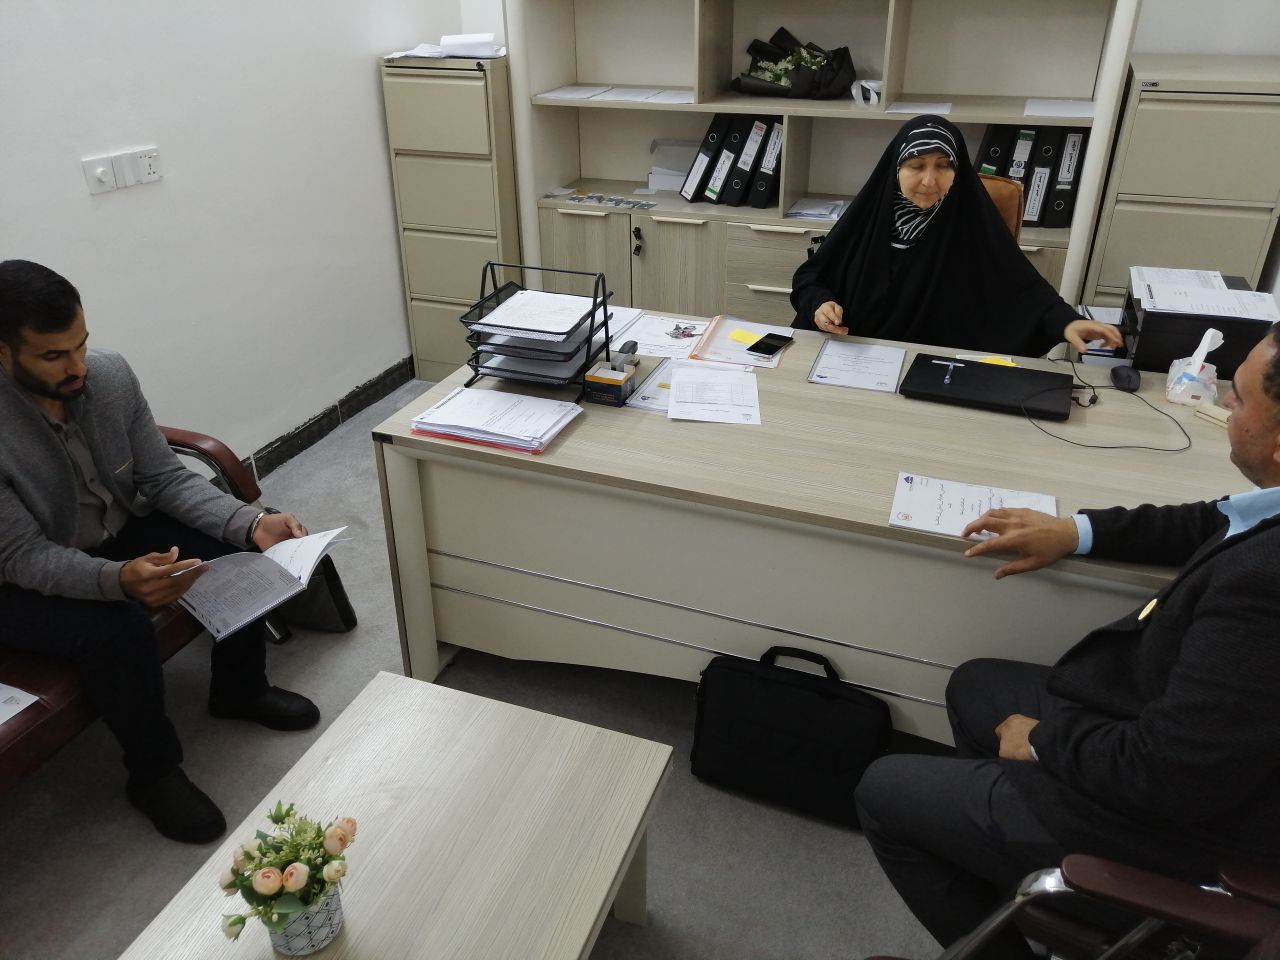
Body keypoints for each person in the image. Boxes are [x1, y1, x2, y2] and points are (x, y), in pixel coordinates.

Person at [854, 326, 1280, 960]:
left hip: (1187, 826)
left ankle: (1049, 890)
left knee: (884, 791)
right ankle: (1026, 880)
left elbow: (1170, 777)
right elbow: (1217, 519)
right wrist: (1074, 531)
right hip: (1180, 739)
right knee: (976, 685)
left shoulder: (1267, 587)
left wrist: (1045, 742)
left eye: (1239, 399)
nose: (1223, 404)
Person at [0, 259, 321, 844]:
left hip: (115, 531)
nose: (77, 367)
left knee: (232, 551)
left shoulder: (109, 376)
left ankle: (240, 690)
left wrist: (249, 523)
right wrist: (118, 580)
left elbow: (163, 477)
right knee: (117, 629)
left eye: (81, 344)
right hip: (20, 578)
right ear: (3, 354)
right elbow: (22, 555)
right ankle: (153, 775)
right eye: (53, 356)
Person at [790, 116, 1123, 357]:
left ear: (958, 171)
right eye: (916, 165)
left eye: (943, 165)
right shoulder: (867, 221)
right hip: (852, 360)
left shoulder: (972, 228)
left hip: (931, 368)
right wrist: (820, 305)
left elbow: (1026, 294)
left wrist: (1067, 324)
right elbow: (811, 278)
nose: (929, 180)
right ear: (896, 169)